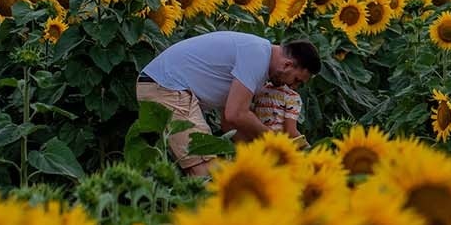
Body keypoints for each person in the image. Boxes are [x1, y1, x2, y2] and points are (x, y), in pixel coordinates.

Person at [137, 31, 321, 176]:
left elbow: (229, 122)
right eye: (297, 80)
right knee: (204, 169)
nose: (294, 87)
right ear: (287, 65)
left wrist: (256, 159)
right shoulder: (257, 55)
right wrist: (277, 144)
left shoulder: (257, 56)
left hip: (164, 86)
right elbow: (237, 114)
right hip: (167, 87)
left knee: (206, 163)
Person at [253, 79, 309, 148]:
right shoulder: (292, 96)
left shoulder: (260, 89)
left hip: (257, 143)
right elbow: (291, 132)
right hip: (278, 146)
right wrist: (308, 147)